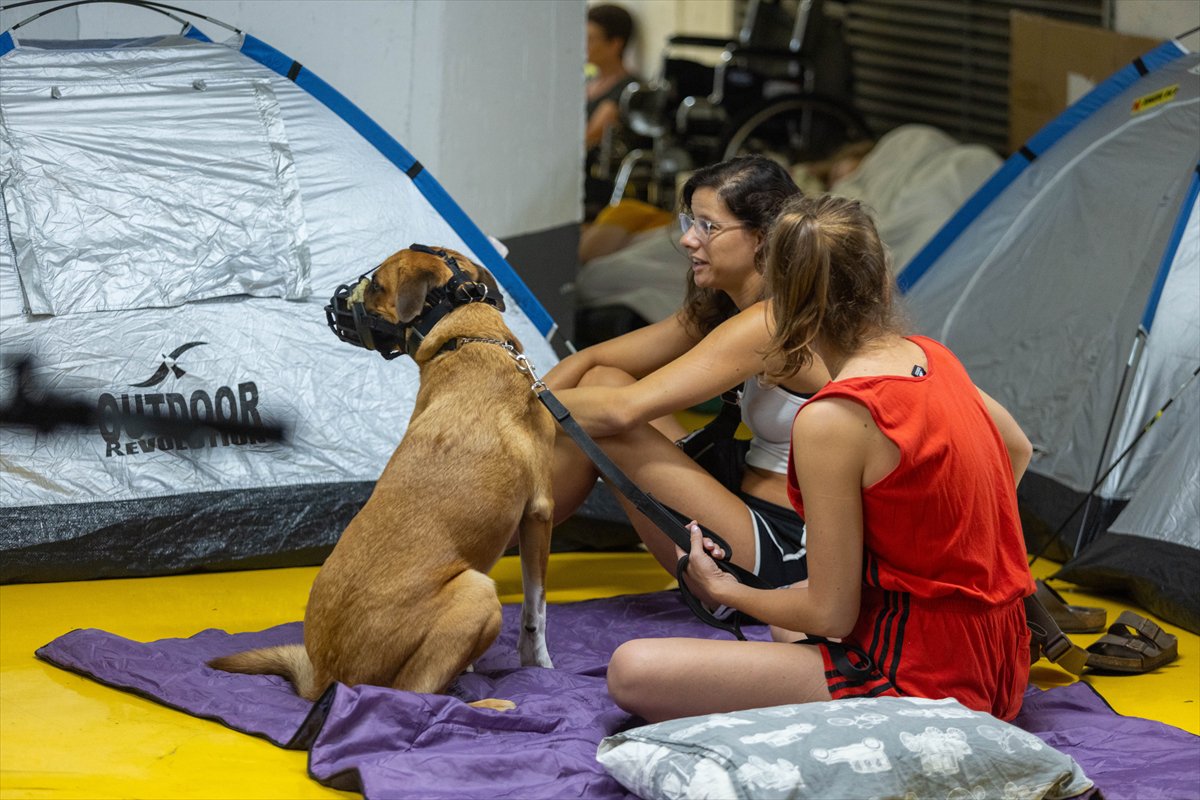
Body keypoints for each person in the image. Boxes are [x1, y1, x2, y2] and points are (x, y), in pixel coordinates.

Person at [605, 194, 1036, 724]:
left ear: (783, 300)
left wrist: (725, 588)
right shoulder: (931, 355)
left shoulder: (832, 416)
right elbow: (1017, 449)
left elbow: (833, 611)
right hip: (1000, 655)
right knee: (790, 614)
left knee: (634, 669)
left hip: (925, 678)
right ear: (880, 277)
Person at [546, 156, 829, 593]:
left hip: (782, 551)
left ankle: (456, 550)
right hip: (737, 496)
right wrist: (517, 398)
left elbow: (620, 414)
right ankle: (463, 543)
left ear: (762, 237)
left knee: (602, 423)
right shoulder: (724, 304)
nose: (688, 239)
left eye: (708, 227)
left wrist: (492, 404)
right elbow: (588, 361)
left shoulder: (770, 320)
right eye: (689, 221)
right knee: (601, 379)